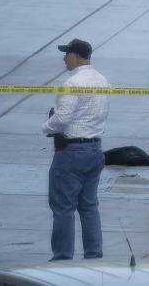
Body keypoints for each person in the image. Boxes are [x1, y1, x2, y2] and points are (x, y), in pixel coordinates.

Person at [42, 39, 110, 261]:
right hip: (94, 149)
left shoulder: (71, 84)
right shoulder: (102, 80)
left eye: (67, 54)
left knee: (63, 207)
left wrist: (46, 126)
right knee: (89, 206)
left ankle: (62, 258)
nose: (64, 58)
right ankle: (94, 256)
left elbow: (62, 119)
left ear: (77, 56)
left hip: (71, 153)